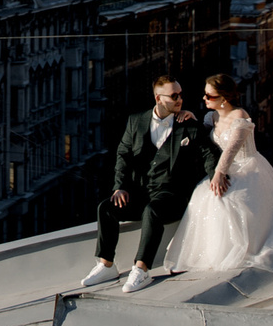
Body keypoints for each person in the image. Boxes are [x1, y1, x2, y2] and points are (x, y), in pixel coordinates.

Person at [170, 73, 273, 274]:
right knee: (203, 194)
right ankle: (214, 251)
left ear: (224, 98)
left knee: (230, 198)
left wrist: (219, 174)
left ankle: (246, 248)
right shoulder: (211, 116)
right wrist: (191, 117)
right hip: (227, 169)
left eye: (209, 96)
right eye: (205, 95)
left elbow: (230, 150)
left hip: (248, 168)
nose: (204, 99)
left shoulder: (240, 117)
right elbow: (203, 138)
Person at [80, 74, 218, 293]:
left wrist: (216, 178)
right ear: (158, 98)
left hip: (172, 194)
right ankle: (106, 264)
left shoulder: (188, 124)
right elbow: (123, 155)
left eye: (180, 94)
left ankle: (141, 269)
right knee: (106, 208)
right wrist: (120, 187)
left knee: (152, 211)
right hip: (141, 191)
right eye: (174, 95)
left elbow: (209, 154)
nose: (179, 99)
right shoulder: (136, 121)